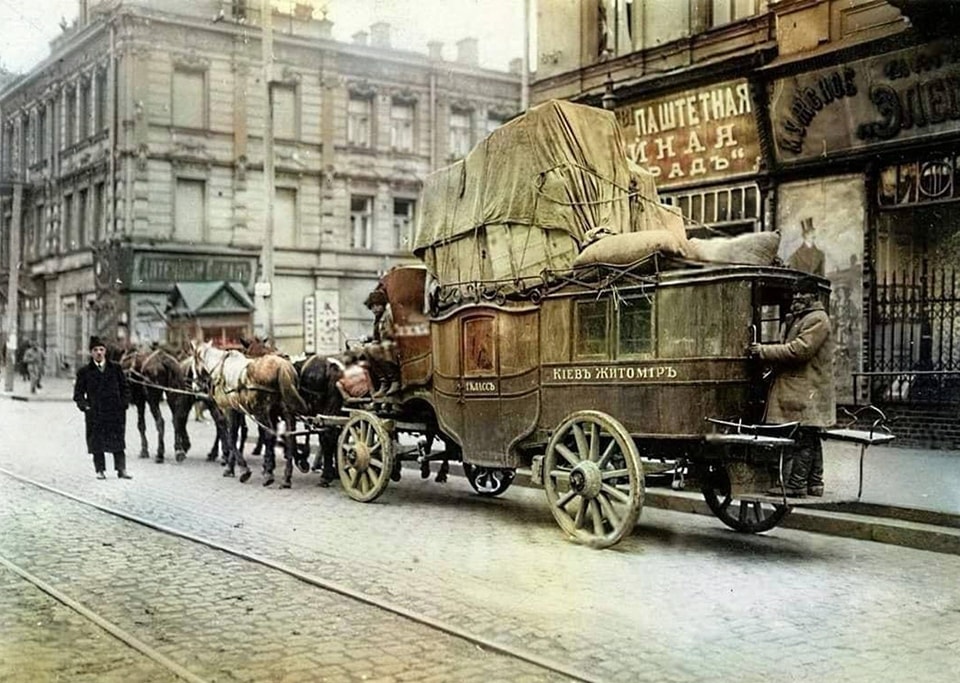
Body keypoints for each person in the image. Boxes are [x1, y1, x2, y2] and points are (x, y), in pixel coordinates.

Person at [748, 276, 835, 497]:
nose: (796, 297)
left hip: (806, 389)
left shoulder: (817, 319)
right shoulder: (803, 318)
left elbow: (799, 350)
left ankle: (796, 485)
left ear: (813, 296)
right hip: (804, 388)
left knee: (802, 438)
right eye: (795, 293)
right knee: (810, 436)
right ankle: (814, 483)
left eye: (801, 294)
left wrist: (764, 351)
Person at [73, 335, 133, 480]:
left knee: (118, 441)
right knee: (97, 442)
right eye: (95, 350)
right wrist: (85, 407)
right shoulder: (84, 372)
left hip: (115, 412)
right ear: (91, 353)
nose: (99, 353)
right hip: (95, 412)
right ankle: (100, 470)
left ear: (105, 351)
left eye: (101, 349)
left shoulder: (116, 368)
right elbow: (78, 394)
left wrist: (123, 404)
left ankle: (121, 469)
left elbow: (125, 388)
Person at [361, 284, 401, 398]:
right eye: (372, 307)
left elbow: (391, 333)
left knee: (372, 349)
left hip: (393, 347)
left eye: (377, 305)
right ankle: (383, 382)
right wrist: (370, 339)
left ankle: (394, 380)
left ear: (383, 304)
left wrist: (377, 343)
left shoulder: (388, 315)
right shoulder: (378, 319)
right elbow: (378, 335)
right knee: (365, 350)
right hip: (384, 346)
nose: (375, 309)